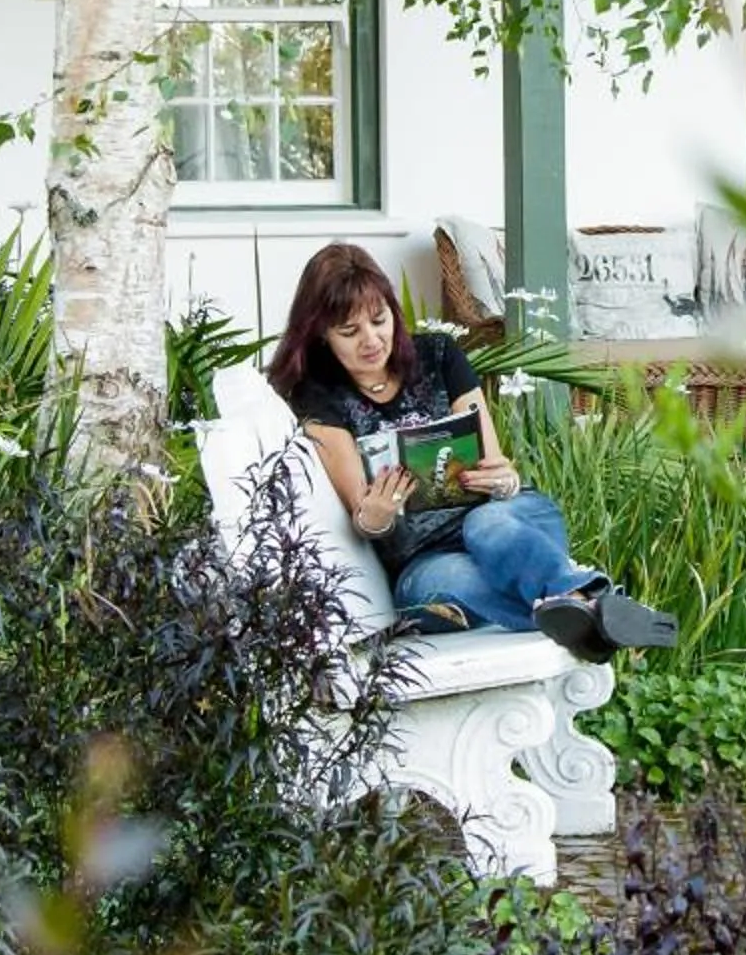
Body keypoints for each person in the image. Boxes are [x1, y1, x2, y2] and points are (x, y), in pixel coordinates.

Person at [270, 242, 674, 662]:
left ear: (394, 312)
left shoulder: (439, 355)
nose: (371, 340)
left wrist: (503, 480)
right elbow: (362, 513)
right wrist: (376, 515)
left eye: (379, 320)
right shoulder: (318, 396)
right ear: (321, 334)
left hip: (509, 524)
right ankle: (591, 608)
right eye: (350, 332)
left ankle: (587, 598)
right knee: (456, 582)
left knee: (485, 523)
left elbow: (494, 467)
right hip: (424, 563)